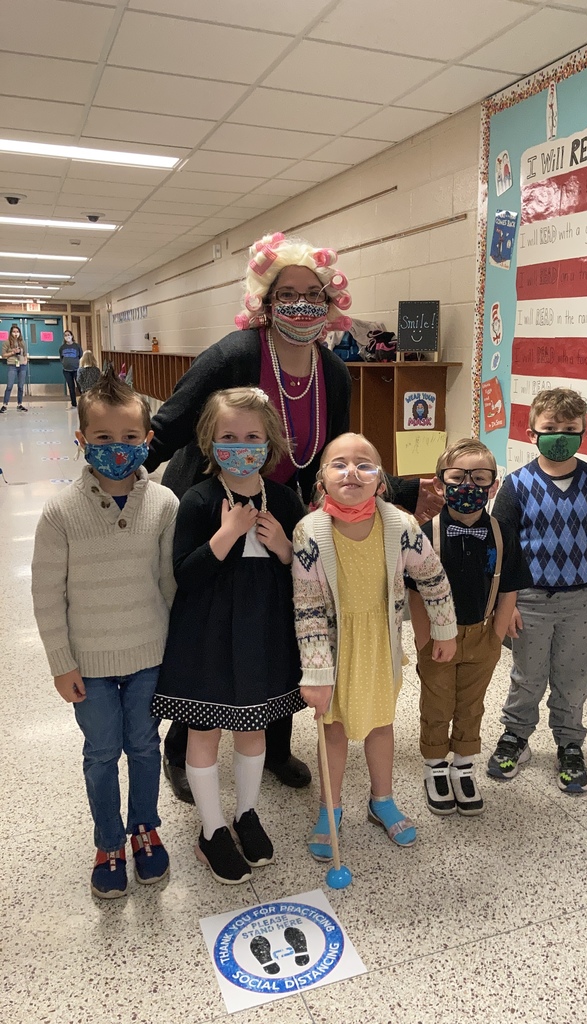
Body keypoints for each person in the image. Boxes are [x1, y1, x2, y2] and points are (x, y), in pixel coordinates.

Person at [144, 231, 441, 801]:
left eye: (314, 294)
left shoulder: (334, 371)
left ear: (331, 303)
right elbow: (172, 424)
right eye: (288, 294)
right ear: (265, 299)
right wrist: (121, 477)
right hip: (214, 503)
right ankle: (180, 748)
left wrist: (400, 488)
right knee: (206, 625)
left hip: (281, 512)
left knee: (279, 624)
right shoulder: (235, 355)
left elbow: (336, 456)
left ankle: (275, 746)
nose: (302, 304)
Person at [30, 369, 177, 898]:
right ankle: (109, 841)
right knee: (100, 753)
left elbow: (169, 583)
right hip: (87, 664)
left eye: (130, 437)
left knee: (144, 747)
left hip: (149, 656)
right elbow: (47, 593)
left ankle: (144, 830)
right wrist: (60, 662)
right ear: (82, 440)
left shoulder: (164, 504)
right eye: (103, 437)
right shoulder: (60, 513)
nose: (118, 448)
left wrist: (178, 653)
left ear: (147, 440)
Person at [152, 387, 305, 883]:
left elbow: (305, 575)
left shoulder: (284, 500)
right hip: (208, 637)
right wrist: (227, 534)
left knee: (253, 728)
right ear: (210, 441)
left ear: (270, 441)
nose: (241, 446)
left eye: (253, 437)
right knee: (205, 730)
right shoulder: (198, 500)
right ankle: (211, 828)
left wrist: (284, 549)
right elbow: (185, 574)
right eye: (229, 437)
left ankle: (246, 814)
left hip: (262, 634)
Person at [293, 433, 457, 859]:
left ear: (381, 482)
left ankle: (381, 800)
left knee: (382, 725)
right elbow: (308, 608)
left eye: (364, 464)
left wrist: (444, 629)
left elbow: (433, 577)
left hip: (380, 646)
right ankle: (330, 809)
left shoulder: (400, 526)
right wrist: (315, 673)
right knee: (333, 731)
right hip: (335, 651)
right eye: (339, 464)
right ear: (321, 481)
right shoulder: (309, 532)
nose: (352, 471)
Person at [488, 388, 587, 795]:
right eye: (550, 427)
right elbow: (501, 549)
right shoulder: (516, 485)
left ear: (584, 432)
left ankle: (569, 744)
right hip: (528, 600)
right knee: (527, 676)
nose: (560, 435)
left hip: (583, 601)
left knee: (574, 677)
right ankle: (516, 736)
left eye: (569, 428)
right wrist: (505, 604)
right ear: (532, 433)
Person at [407, 439, 531, 816]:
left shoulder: (503, 533)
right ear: (439, 483)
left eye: (479, 478)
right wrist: (424, 639)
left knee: (471, 704)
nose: (468, 486)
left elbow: (509, 587)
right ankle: (435, 766)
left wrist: (495, 636)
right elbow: (415, 592)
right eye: (458, 477)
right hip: (436, 638)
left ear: (493, 486)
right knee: (437, 703)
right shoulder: (423, 534)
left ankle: (463, 765)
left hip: (482, 635)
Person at [1, 323, 28, 412]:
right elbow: (3, 355)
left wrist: (25, 360)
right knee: (9, 385)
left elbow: (25, 354)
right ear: (11, 333)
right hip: (12, 365)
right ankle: (5, 405)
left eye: (17, 332)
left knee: (21, 386)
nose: (16, 333)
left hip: (22, 366)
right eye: (14, 332)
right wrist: (12, 352)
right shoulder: (7, 342)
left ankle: (19, 404)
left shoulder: (22, 342)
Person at [60, 328, 83, 408]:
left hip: (76, 370)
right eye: (65, 335)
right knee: (71, 387)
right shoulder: (62, 347)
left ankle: (83, 403)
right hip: (66, 370)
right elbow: (61, 358)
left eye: (68, 335)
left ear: (72, 336)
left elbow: (81, 356)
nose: (67, 337)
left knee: (80, 386)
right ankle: (73, 404)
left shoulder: (77, 346)